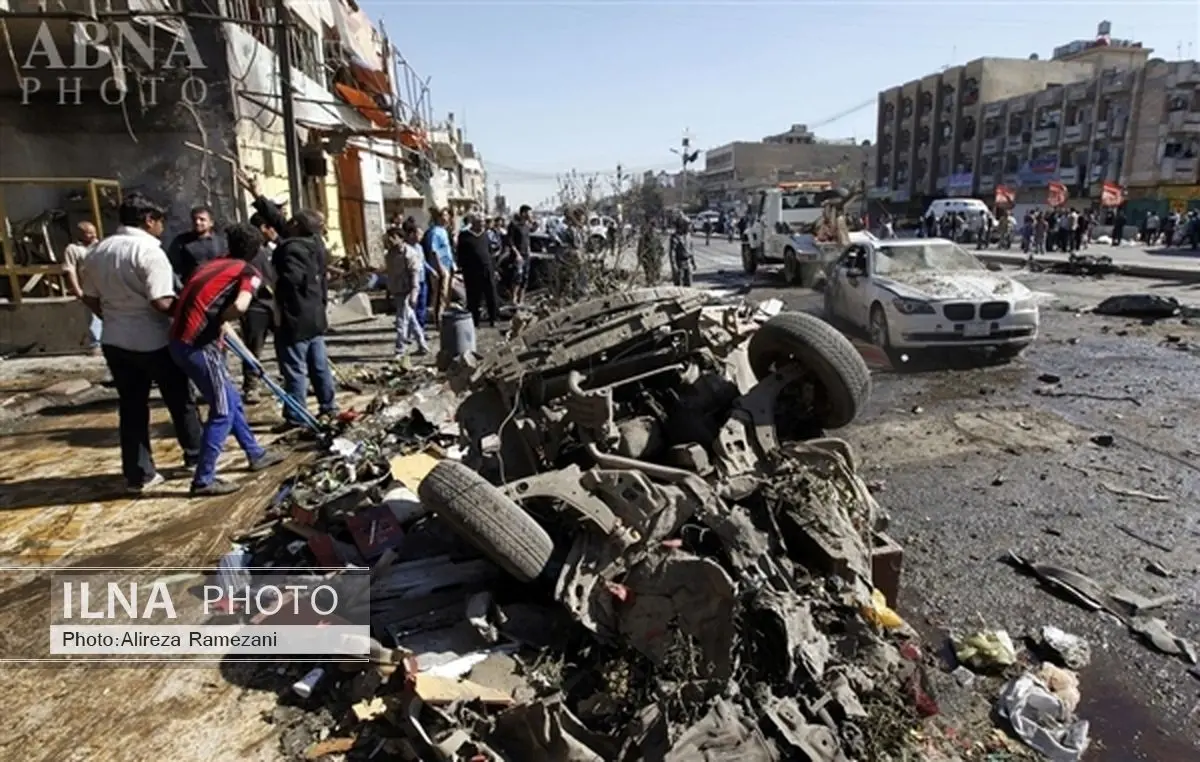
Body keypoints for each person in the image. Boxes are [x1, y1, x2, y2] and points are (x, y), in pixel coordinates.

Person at [79, 193, 203, 493]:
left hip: (115, 341)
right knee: (180, 399)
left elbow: (91, 298)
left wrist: (114, 316)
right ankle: (196, 456)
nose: (162, 227)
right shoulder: (149, 251)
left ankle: (139, 474)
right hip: (154, 339)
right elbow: (161, 301)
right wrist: (192, 314)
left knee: (132, 407)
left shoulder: (98, 251)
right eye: (160, 221)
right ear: (149, 220)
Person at [168, 223, 285, 496]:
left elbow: (214, 313)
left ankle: (255, 453)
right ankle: (203, 480)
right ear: (256, 250)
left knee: (231, 400)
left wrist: (245, 353)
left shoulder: (209, 266)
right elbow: (239, 307)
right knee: (221, 410)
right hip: (200, 346)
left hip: (178, 341)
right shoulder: (248, 272)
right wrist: (226, 318)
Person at [236, 170, 338, 430]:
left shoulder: (291, 250)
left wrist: (272, 286)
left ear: (297, 227)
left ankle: (296, 416)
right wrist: (257, 194)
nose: (285, 222)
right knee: (318, 366)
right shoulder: (314, 242)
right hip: (315, 317)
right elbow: (280, 222)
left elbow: (290, 281)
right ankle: (329, 406)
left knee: (294, 369)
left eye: (291, 221)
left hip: (295, 318)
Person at [239, 210, 279, 402]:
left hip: (276, 304)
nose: (275, 231)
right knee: (253, 347)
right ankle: (251, 386)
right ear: (263, 228)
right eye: (272, 227)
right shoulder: (249, 251)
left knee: (287, 344)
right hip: (256, 306)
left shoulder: (272, 248)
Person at [386, 220, 429, 364]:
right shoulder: (391, 254)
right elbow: (390, 272)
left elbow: (415, 274)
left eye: (393, 237)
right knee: (411, 319)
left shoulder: (409, 253)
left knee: (401, 322)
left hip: (407, 290)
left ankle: (400, 350)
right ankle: (422, 345)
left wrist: (414, 294)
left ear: (401, 237)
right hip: (397, 290)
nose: (390, 240)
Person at [63, 221, 101, 354]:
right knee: (92, 316)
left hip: (104, 286)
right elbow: (70, 269)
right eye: (89, 233)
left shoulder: (100, 246)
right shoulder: (73, 249)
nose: (93, 235)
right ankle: (95, 344)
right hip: (88, 287)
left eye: (94, 232)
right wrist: (77, 289)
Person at [166, 205, 227, 287]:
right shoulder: (181, 241)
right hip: (192, 288)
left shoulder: (221, 242)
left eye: (202, 219)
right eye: (195, 219)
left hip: (218, 287)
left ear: (211, 223)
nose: (197, 222)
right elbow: (174, 268)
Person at [457, 213, 498, 327]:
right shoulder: (465, 236)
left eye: (483, 222)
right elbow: (460, 254)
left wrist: (494, 269)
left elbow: (490, 252)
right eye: (480, 222)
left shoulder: (485, 235)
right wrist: (461, 268)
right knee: (474, 297)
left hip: (487, 268)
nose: (482, 224)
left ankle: (493, 319)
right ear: (473, 223)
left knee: (491, 295)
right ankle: (474, 321)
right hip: (472, 271)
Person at [425, 208, 455, 323]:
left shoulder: (444, 231)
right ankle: (438, 319)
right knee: (440, 294)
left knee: (446, 294)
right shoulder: (435, 232)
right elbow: (434, 250)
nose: (446, 218)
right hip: (439, 267)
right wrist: (440, 267)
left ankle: (445, 317)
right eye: (444, 216)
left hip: (447, 265)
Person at [505, 205, 533, 306]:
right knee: (517, 277)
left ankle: (521, 300)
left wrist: (529, 250)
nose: (531, 215)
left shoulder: (526, 226)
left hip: (526, 255)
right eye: (529, 213)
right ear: (523, 213)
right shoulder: (514, 225)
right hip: (518, 256)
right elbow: (510, 241)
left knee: (525, 278)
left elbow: (528, 239)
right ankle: (514, 299)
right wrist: (517, 254)